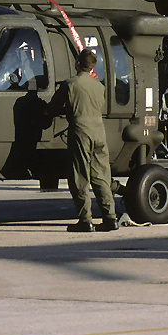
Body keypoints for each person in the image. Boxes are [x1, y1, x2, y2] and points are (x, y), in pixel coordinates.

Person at [48, 47, 117, 232]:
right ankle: (110, 218)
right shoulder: (99, 86)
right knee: (101, 176)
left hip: (81, 132)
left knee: (80, 176)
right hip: (99, 132)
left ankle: (85, 220)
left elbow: (53, 108)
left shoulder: (70, 84)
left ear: (78, 63)